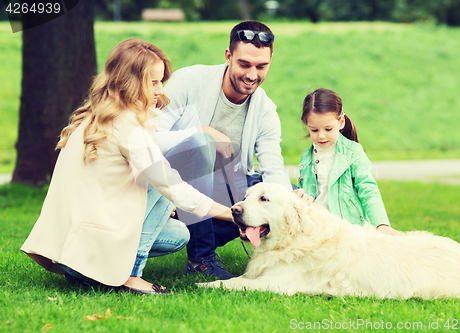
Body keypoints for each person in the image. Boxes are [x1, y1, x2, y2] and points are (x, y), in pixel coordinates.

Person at [20, 39, 233, 295]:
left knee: (178, 234)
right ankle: (130, 274)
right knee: (167, 184)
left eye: (161, 81)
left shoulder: (94, 117)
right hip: (94, 240)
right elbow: (173, 187)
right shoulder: (128, 126)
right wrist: (235, 215)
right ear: (131, 82)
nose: (160, 89)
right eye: (153, 82)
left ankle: (89, 272)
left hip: (72, 246)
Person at [148, 21, 292, 280]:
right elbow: (148, 139)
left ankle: (197, 231)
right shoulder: (188, 81)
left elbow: (273, 168)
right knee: (201, 145)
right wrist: (200, 131)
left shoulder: (266, 111)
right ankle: (201, 258)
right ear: (228, 56)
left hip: (221, 192)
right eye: (244, 64)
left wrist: (290, 206)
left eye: (261, 66)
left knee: (264, 189)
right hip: (170, 185)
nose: (252, 75)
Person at [298, 88, 400, 236]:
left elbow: (368, 190)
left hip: (348, 231)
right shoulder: (306, 158)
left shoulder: (353, 153)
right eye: (314, 130)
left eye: (328, 129)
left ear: (341, 122)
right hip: (316, 230)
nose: (321, 136)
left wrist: (381, 224)